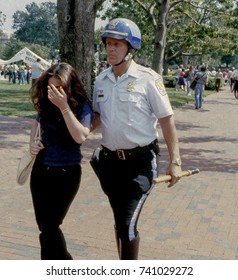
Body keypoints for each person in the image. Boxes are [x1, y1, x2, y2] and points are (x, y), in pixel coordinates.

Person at [92, 18, 182, 260]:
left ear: (130, 49)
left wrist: (175, 161)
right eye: (108, 44)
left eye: (117, 45)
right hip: (110, 164)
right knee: (120, 221)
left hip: (139, 164)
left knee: (127, 225)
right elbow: (97, 118)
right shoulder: (101, 80)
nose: (110, 49)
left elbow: (166, 120)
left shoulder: (148, 79)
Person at [29, 62, 93, 259]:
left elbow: (80, 136)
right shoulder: (45, 103)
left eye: (59, 88)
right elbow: (36, 127)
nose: (54, 92)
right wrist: (32, 145)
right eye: (50, 87)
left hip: (66, 173)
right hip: (41, 170)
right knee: (44, 226)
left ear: (69, 86)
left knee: (50, 225)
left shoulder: (82, 106)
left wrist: (64, 106)